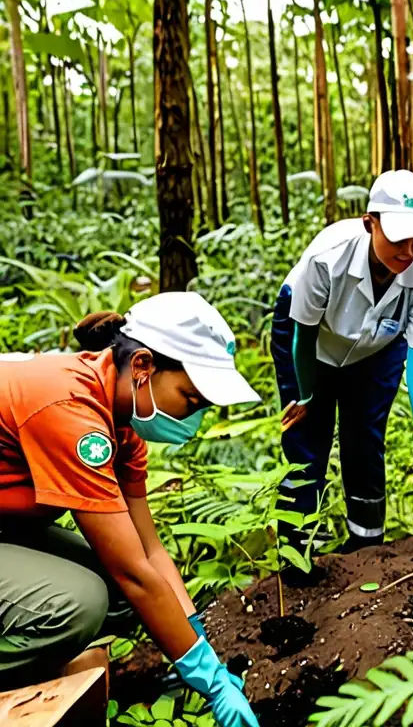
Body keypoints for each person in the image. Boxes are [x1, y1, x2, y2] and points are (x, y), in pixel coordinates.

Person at [0, 293, 261, 727]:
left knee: (120, 599)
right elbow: (135, 572)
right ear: (142, 366)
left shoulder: (122, 427)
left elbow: (149, 551)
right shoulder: (68, 410)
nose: (193, 418)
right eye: (191, 400)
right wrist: (209, 680)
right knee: (77, 604)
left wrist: (194, 638)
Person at [272, 169, 413, 551]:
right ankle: (299, 549)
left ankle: (367, 549)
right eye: (400, 238)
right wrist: (304, 394)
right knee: (307, 439)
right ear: (371, 224)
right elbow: (303, 335)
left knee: (365, 438)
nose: (409, 252)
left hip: (376, 352)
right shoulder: (327, 257)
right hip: (309, 344)